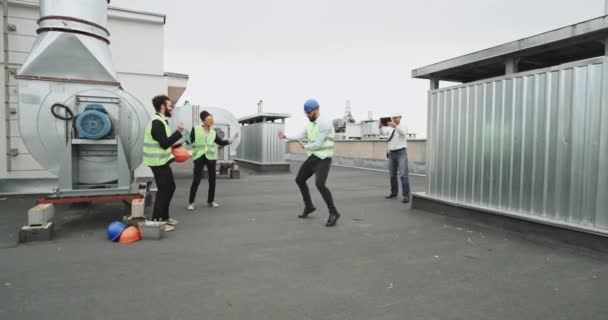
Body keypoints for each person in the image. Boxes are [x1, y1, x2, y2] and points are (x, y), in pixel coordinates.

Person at [279, 99, 341, 227]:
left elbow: (318, 144)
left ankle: (334, 212)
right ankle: (309, 206)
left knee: (320, 184)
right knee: (299, 179)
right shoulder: (310, 124)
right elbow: (299, 136)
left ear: (316, 110)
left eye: (309, 112)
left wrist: (305, 147)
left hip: (323, 159)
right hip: (313, 158)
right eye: (306, 113)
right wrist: (285, 137)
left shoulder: (325, 123)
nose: (307, 115)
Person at [143, 95, 184, 231]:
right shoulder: (157, 123)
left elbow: (164, 143)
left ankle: (165, 217)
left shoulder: (162, 121)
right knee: (164, 190)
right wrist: (178, 132)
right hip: (157, 162)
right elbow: (164, 144)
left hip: (162, 161)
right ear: (162, 105)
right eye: (169, 105)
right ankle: (157, 221)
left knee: (170, 187)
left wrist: (177, 144)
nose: (171, 107)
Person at [187, 111, 239, 210]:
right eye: (209, 119)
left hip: (211, 157)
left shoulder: (213, 132)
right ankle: (191, 202)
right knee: (196, 180)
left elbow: (221, 142)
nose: (211, 121)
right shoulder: (196, 129)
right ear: (203, 121)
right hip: (199, 157)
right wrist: (186, 137)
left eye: (212, 119)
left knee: (212, 180)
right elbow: (189, 141)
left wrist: (232, 139)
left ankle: (211, 201)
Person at [380, 112, 411, 203]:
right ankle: (394, 193)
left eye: (396, 118)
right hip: (392, 153)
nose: (394, 119)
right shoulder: (390, 128)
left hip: (401, 152)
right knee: (392, 175)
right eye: (393, 118)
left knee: (403, 175)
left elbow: (404, 133)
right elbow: (384, 134)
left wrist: (395, 126)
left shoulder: (403, 126)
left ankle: (406, 195)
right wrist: (381, 127)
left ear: (400, 118)